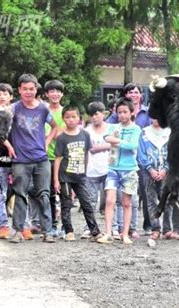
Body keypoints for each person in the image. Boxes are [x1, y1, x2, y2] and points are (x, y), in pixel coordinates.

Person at [6, 74, 57, 243]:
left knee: (44, 194)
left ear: (36, 89)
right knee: (20, 194)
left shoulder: (43, 108)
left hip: (41, 159)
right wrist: (9, 146)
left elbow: (55, 127)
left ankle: (48, 231)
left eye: (32, 89)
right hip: (20, 159)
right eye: (25, 89)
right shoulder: (13, 109)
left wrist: (47, 141)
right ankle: (18, 230)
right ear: (19, 90)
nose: (28, 92)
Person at [53, 105, 102, 241]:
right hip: (65, 176)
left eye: (74, 117)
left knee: (87, 203)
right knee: (66, 204)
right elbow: (58, 159)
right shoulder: (62, 138)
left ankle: (95, 231)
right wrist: (56, 180)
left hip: (81, 176)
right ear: (63, 119)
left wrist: (85, 171)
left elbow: (86, 154)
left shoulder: (85, 135)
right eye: (67, 117)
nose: (71, 120)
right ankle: (69, 230)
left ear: (79, 118)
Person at [97, 97, 142, 245]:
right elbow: (107, 138)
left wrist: (117, 141)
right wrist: (122, 142)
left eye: (125, 112)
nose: (122, 115)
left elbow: (132, 146)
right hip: (113, 168)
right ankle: (109, 233)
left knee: (127, 203)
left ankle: (125, 233)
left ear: (131, 112)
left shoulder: (136, 129)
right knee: (109, 200)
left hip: (129, 169)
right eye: (119, 112)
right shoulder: (112, 127)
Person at [137, 118, 173, 246]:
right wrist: (150, 169)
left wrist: (165, 169)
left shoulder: (169, 132)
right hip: (148, 172)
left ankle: (167, 228)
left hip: (166, 172)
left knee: (167, 200)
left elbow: (173, 152)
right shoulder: (144, 133)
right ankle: (155, 228)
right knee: (151, 201)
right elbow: (140, 154)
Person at [83, 101, 112, 238]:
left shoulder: (111, 128)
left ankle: (113, 228)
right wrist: (107, 145)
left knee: (111, 200)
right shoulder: (86, 130)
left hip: (109, 168)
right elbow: (90, 149)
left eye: (97, 114)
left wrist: (99, 147)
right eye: (92, 115)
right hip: (91, 169)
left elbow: (115, 145)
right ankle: (89, 227)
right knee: (90, 201)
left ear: (103, 113)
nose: (94, 117)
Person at [44, 80, 67, 238]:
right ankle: (52, 225)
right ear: (46, 94)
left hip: (64, 156)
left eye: (58, 91)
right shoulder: (41, 111)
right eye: (51, 91)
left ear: (62, 94)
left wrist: (49, 136)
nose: (55, 94)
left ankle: (66, 226)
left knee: (65, 193)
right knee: (50, 193)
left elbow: (67, 133)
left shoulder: (66, 112)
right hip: (46, 157)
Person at [0, 83, 14, 239]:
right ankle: (3, 226)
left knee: (20, 193)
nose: (2, 97)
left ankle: (23, 226)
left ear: (11, 97)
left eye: (5, 94)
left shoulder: (16, 113)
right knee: (1, 195)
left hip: (17, 159)